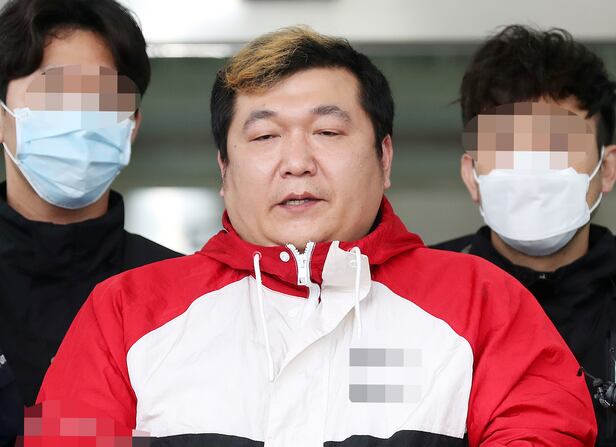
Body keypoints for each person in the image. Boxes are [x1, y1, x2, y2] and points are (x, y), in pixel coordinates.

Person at [36, 26, 595, 446]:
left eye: (327, 131)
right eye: (265, 136)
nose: (297, 162)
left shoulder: (482, 301)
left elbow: (548, 430)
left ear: (384, 157)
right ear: (224, 170)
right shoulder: (124, 313)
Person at [0, 0, 180, 443]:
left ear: (131, 125)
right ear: (2, 116)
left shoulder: (181, 292)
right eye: (53, 93)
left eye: (104, 99)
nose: (79, 120)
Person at [433, 25, 616, 446]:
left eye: (558, 144)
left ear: (606, 169)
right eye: (507, 146)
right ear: (472, 174)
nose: (532, 169)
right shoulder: (408, 298)